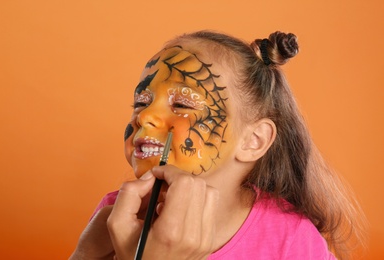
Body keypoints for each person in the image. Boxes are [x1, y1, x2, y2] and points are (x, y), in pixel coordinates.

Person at [70, 30, 366, 259]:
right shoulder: (118, 215)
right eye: (141, 102)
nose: (145, 116)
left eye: (182, 103)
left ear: (254, 140)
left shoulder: (290, 237)